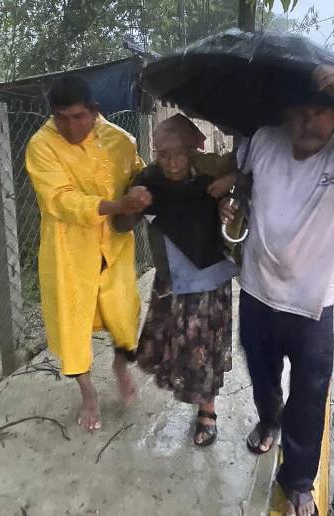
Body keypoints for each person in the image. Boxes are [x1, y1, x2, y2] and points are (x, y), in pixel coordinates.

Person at [220, 65, 334, 516]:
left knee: (310, 396)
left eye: (321, 112)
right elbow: (244, 180)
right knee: (263, 375)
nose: (308, 122)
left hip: (312, 306)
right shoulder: (263, 140)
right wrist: (232, 198)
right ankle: (269, 420)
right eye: (299, 112)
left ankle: (297, 482)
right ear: (285, 114)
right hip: (256, 292)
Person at [26, 76, 152, 431]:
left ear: (95, 111)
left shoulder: (120, 140)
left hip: (114, 247)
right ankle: (88, 393)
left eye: (78, 116)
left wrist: (143, 194)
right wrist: (116, 204)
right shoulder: (41, 145)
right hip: (68, 252)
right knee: (71, 323)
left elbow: (139, 175)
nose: (69, 126)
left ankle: (120, 366)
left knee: (124, 314)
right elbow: (59, 200)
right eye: (61, 117)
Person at [114, 114, 238, 446]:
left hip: (209, 275)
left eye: (177, 153)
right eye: (162, 154)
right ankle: (184, 390)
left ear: (190, 149)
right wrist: (130, 204)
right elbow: (122, 226)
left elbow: (249, 183)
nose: (170, 163)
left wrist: (228, 198)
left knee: (204, 348)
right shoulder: (149, 179)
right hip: (171, 277)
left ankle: (207, 411)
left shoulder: (210, 171)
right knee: (170, 345)